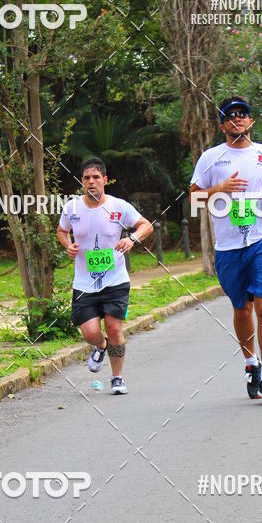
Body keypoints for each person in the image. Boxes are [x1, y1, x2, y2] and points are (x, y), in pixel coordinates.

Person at [190, 95, 262, 404]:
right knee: (241, 309)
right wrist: (219, 189)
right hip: (228, 246)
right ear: (223, 125)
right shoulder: (211, 158)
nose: (237, 119)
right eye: (231, 116)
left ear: (251, 121)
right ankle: (250, 364)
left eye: (243, 114)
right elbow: (194, 198)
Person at [57, 157, 152, 395]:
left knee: (113, 327)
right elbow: (61, 230)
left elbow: (146, 225)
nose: (91, 182)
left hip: (116, 279)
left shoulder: (119, 206)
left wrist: (132, 239)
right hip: (84, 283)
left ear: (105, 180)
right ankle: (100, 346)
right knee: (90, 332)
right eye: (87, 178)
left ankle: (117, 378)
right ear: (82, 181)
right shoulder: (72, 208)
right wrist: (67, 245)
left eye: (96, 177)